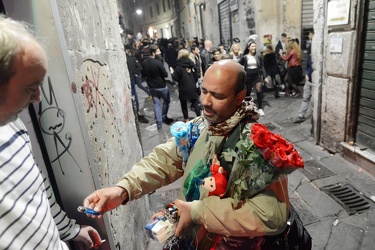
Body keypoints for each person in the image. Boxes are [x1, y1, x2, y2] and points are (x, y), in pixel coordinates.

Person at [83, 60, 289, 249]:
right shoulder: (201, 127)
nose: (205, 102)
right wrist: (124, 189)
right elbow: (164, 160)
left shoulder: (256, 146)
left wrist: (198, 212)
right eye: (204, 91)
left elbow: (272, 216)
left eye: (217, 95)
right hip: (193, 239)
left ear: (239, 98)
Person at [0, 15, 103, 249]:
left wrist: (71, 230)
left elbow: (37, 186)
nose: (37, 99)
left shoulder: (12, 124)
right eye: (29, 88)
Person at [142, 45, 173, 129]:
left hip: (152, 87)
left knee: (156, 104)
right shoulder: (158, 62)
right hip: (161, 86)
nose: (160, 53)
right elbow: (165, 75)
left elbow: (143, 74)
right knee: (166, 101)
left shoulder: (144, 62)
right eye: (158, 51)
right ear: (153, 53)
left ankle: (159, 123)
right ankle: (163, 116)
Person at [240, 40, 268, 116]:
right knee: (248, 92)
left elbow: (262, 66)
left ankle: (260, 108)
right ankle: (248, 107)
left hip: (256, 75)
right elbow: (240, 65)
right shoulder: (244, 57)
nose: (254, 48)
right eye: (252, 46)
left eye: (255, 46)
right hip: (248, 75)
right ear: (248, 47)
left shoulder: (258, 55)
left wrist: (265, 76)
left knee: (259, 90)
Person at [172, 49, 201, 122]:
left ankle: (186, 119)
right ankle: (199, 117)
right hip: (192, 85)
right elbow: (196, 75)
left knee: (184, 103)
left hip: (183, 87)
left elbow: (176, 78)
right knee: (194, 102)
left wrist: (172, 73)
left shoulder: (178, 66)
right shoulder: (191, 64)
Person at [295, 30, 314, 123]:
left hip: (315, 81)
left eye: (310, 34)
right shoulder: (311, 53)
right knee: (305, 98)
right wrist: (306, 73)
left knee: (314, 100)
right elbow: (307, 65)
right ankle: (301, 115)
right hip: (309, 80)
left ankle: (315, 118)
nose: (309, 36)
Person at [125, 49, 149, 123]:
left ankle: (136, 111)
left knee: (135, 92)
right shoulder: (131, 58)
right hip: (132, 78)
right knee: (134, 94)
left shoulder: (129, 59)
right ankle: (136, 110)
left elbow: (136, 67)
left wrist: (134, 74)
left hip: (131, 78)